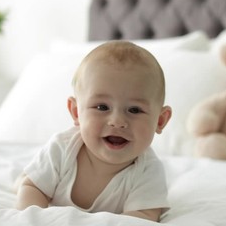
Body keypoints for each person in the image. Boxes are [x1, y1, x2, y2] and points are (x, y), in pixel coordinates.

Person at [15, 41, 173, 222]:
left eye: (135, 110)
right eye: (102, 107)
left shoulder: (147, 171)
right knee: (27, 182)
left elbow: (143, 217)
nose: (117, 122)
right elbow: (32, 189)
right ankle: (28, 172)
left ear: (160, 120)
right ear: (76, 112)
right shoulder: (61, 149)